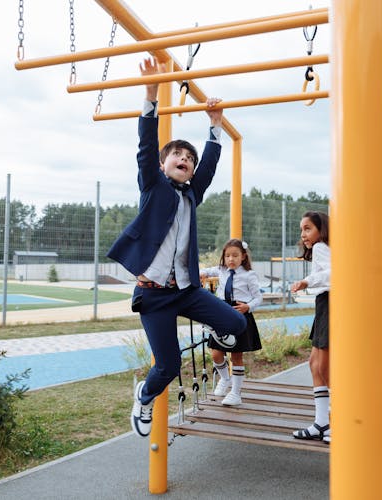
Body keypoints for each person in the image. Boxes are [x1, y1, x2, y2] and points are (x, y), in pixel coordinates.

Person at [107, 57, 247, 438]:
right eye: (178, 156)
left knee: (235, 322)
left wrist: (215, 126)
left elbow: (210, 167)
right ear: (164, 164)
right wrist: (151, 93)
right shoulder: (153, 188)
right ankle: (145, 396)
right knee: (167, 367)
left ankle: (215, 338)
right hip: (153, 295)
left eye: (189, 158)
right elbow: (146, 146)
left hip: (186, 290)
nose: (185, 160)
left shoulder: (192, 195)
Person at [200, 238, 263, 406]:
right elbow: (206, 271)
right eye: (227, 256)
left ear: (243, 256)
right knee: (216, 352)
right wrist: (201, 273)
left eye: (235, 255)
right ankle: (225, 379)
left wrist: (248, 307)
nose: (230, 259)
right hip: (221, 312)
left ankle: (236, 393)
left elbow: (258, 297)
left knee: (236, 355)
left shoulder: (249, 275)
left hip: (239, 313)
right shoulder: (221, 270)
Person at [290, 211, 331, 444]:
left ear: (320, 229)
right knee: (315, 364)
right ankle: (321, 422)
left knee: (325, 367)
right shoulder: (322, 248)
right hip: (324, 303)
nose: (303, 234)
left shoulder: (321, 247)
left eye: (308, 229)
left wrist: (306, 281)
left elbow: (333, 273)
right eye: (302, 230)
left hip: (330, 302)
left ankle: (339, 420)